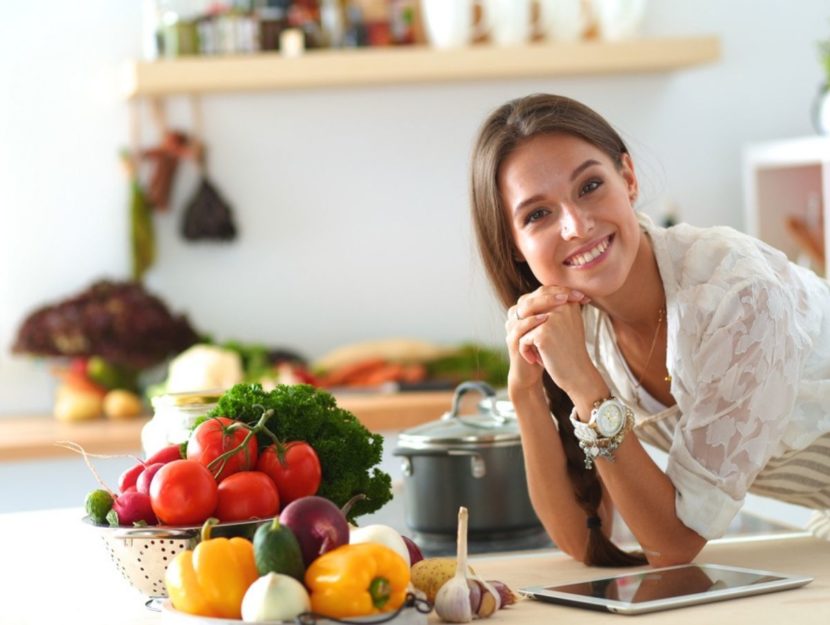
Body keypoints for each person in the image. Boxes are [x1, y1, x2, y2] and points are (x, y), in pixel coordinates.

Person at [469, 93, 830, 568]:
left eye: (590, 186)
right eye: (538, 214)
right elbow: (586, 541)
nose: (576, 226)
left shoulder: (737, 295)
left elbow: (676, 544)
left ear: (629, 178)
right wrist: (525, 391)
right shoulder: (578, 328)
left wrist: (588, 388)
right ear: (514, 246)